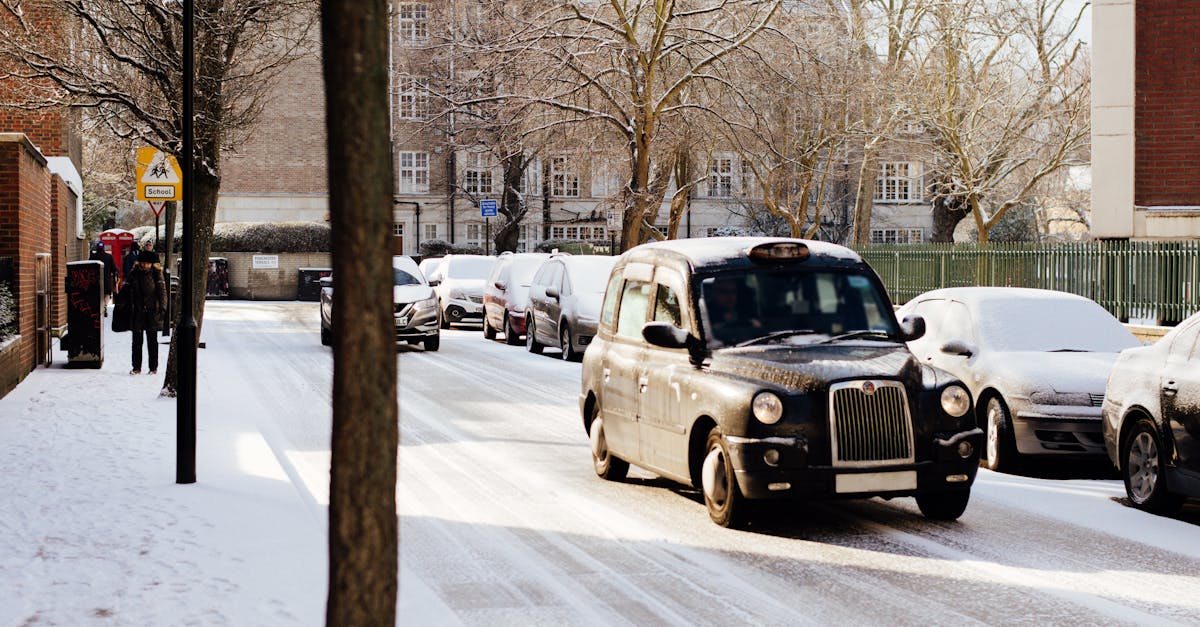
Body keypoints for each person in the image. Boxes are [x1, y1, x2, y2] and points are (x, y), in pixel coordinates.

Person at [124, 249, 166, 375]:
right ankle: (136, 367)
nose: (144, 265)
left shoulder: (156, 274)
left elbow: (162, 292)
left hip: (152, 311)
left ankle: (153, 368)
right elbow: (127, 290)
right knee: (137, 341)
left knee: (152, 341)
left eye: (147, 263)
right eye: (143, 263)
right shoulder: (134, 273)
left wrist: (162, 307)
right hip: (137, 311)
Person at [89, 242, 117, 314]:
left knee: (97, 295)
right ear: (104, 248)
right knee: (107, 294)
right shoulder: (109, 257)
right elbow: (114, 269)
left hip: (95, 281)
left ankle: (99, 307)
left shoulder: (93, 256)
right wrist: (114, 280)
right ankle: (105, 306)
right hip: (106, 280)